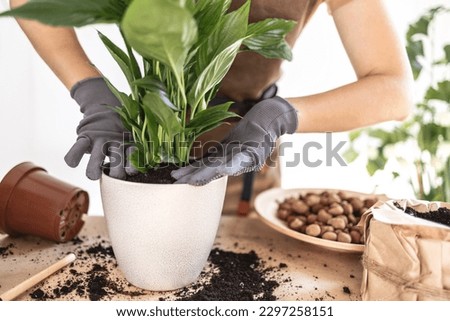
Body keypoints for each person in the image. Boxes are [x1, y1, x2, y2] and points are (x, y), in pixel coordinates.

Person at [8, 0, 413, 215]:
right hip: (142, 152)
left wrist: (280, 117)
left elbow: (394, 90)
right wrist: (89, 89)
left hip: (243, 155)